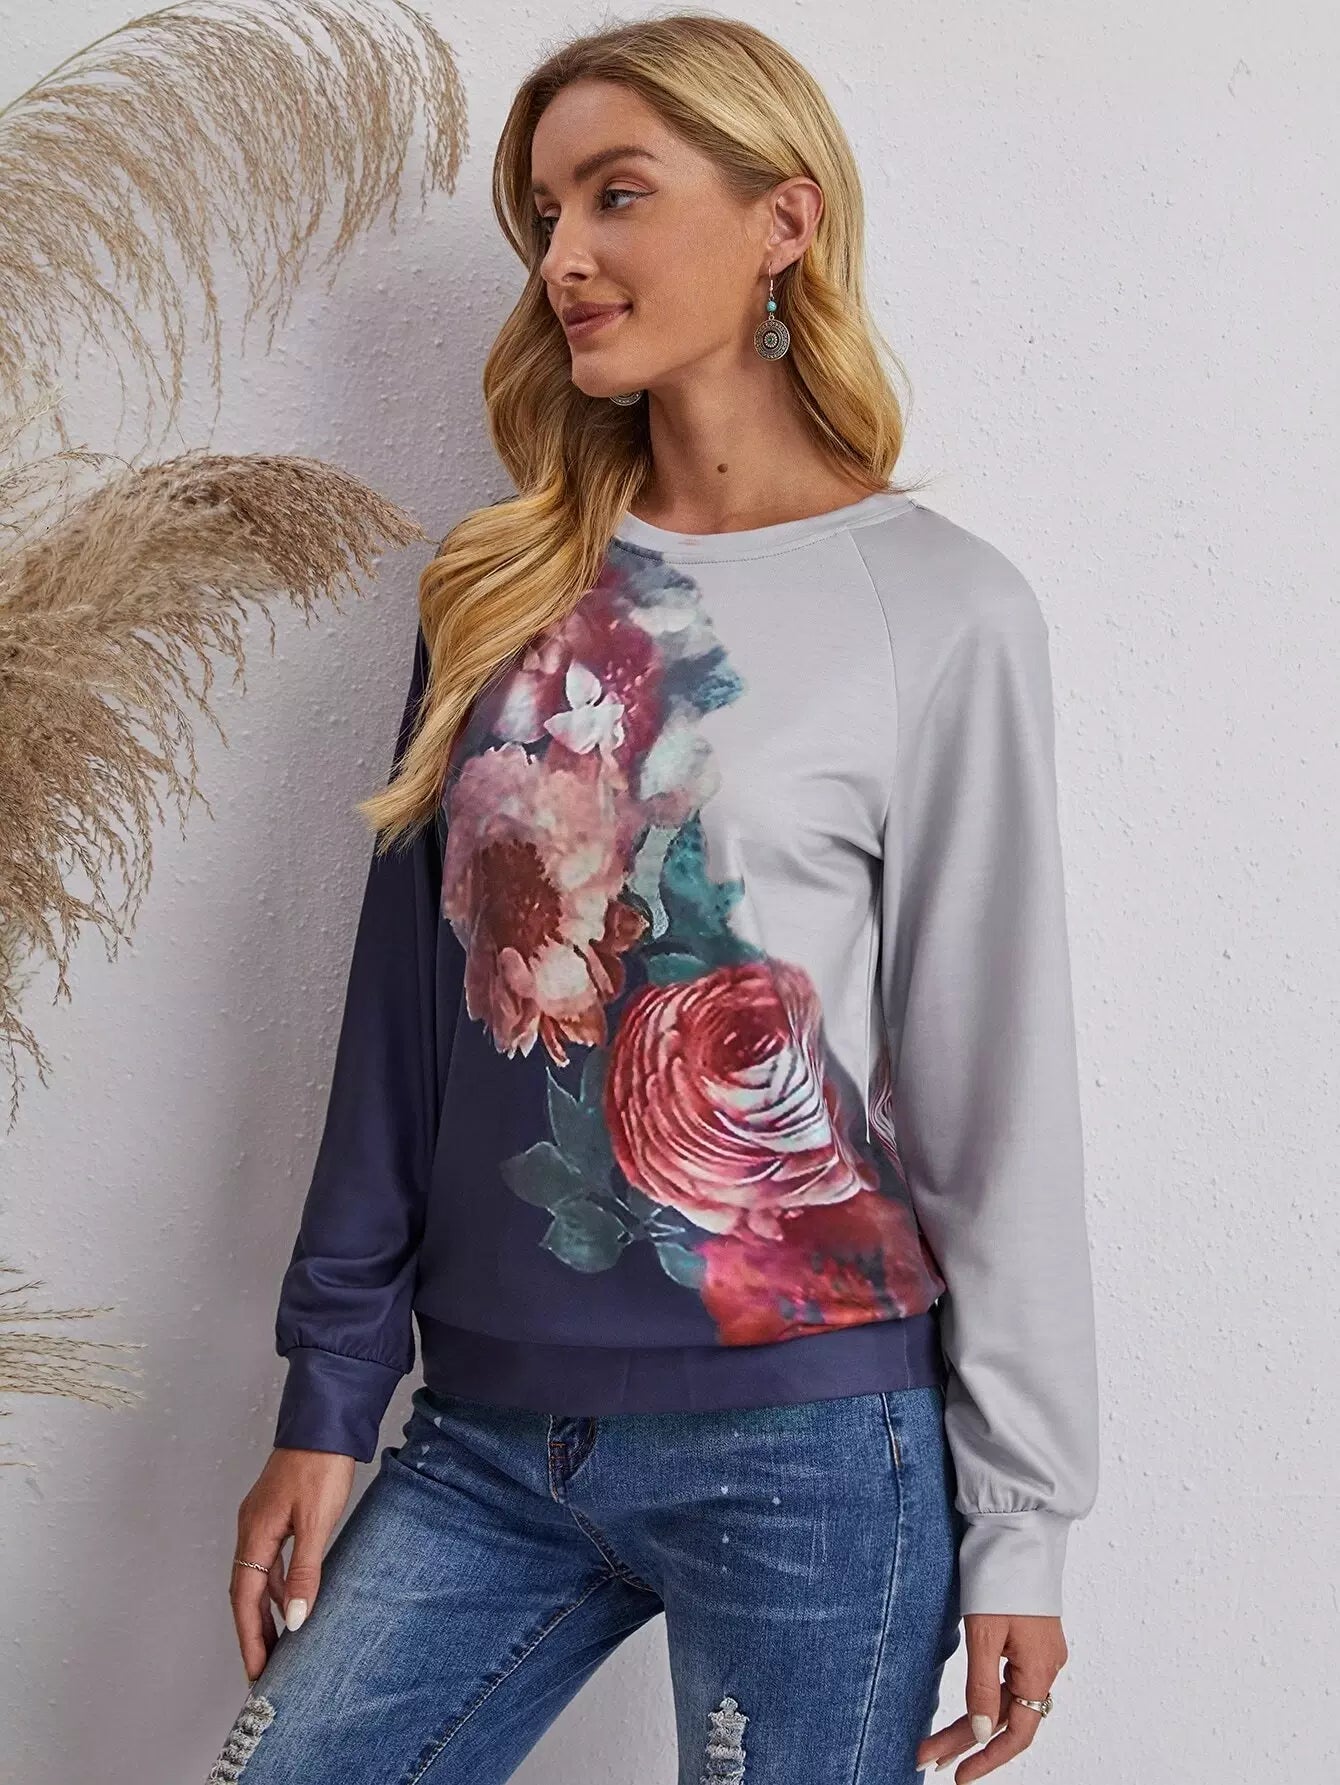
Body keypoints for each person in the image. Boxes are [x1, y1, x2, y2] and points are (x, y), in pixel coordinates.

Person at [211, 13, 1099, 1784]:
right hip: (482, 1437)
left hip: (813, 1445)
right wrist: (330, 1390)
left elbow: (991, 1087)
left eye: (617, 195)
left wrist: (1024, 1522)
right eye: (544, 213)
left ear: (785, 220)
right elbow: (399, 1033)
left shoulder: (940, 610)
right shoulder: (498, 591)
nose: (563, 257)